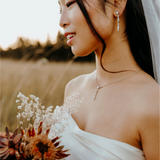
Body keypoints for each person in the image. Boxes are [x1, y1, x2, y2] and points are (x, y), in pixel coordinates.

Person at [56, 0, 160, 159]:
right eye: (60, 8)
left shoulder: (153, 103)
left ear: (116, 4)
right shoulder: (72, 88)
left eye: (70, 4)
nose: (62, 21)